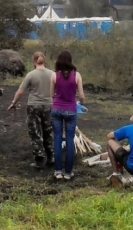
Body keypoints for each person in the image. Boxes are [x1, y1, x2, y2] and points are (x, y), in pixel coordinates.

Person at [8, 51, 54, 169]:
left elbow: (20, 91)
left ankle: (39, 160)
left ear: (34, 61)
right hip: (49, 106)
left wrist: (14, 103)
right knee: (48, 132)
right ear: (45, 60)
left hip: (34, 107)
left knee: (35, 133)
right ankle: (51, 157)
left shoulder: (31, 75)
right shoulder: (53, 74)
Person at [49, 50, 85, 181]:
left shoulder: (54, 75)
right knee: (70, 140)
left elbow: (52, 95)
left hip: (57, 109)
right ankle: (68, 172)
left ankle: (58, 171)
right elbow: (81, 95)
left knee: (57, 139)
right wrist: (80, 102)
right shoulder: (77, 75)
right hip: (71, 110)